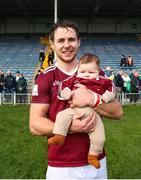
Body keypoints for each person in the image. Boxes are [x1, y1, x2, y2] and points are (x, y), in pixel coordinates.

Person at [29, 20, 123, 179]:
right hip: (61, 167)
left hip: (97, 164)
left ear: (79, 42)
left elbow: (118, 112)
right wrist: (70, 127)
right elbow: (35, 125)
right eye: (60, 40)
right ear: (52, 44)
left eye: (71, 39)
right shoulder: (45, 77)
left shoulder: (94, 72)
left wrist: (91, 99)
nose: (67, 45)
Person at [48, 53, 115, 169]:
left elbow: (112, 89)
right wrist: (66, 93)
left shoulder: (103, 81)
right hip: (74, 109)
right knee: (61, 116)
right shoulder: (74, 79)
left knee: (100, 138)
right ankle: (59, 136)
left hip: (94, 114)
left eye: (91, 72)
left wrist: (107, 96)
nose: (86, 75)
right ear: (78, 70)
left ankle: (93, 156)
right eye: (83, 72)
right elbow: (62, 87)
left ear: (98, 71)